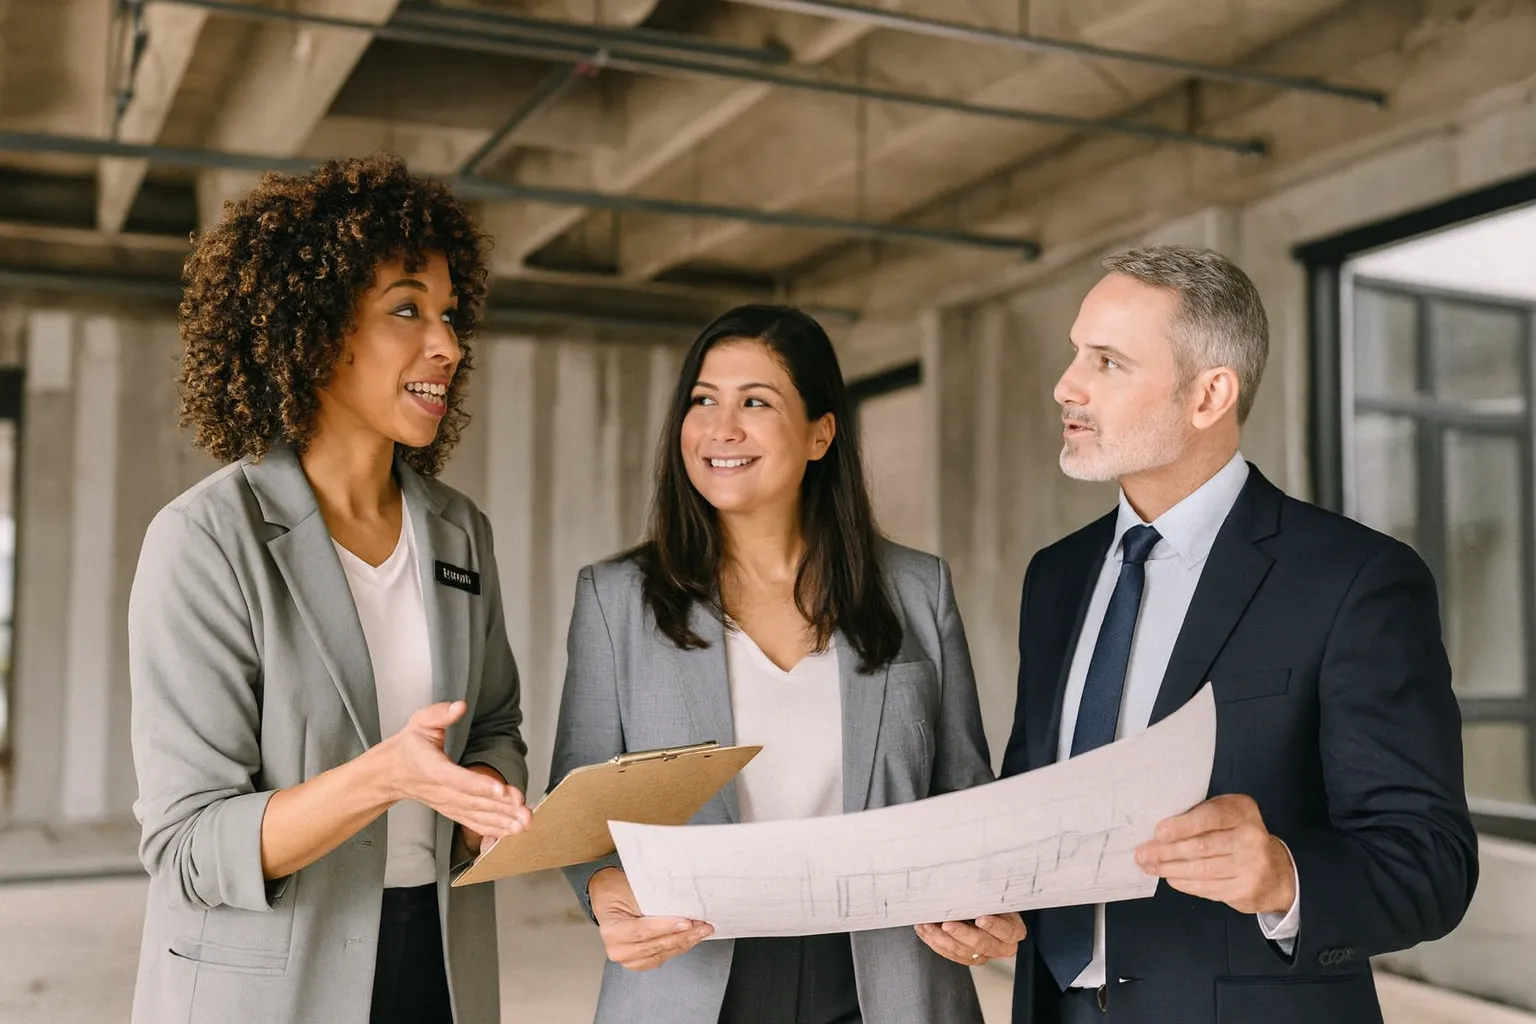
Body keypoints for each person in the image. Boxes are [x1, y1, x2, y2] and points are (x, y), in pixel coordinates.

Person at [1001, 245, 1479, 1023]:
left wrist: (1283, 875)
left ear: (1208, 394)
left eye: (1108, 362)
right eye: (1074, 354)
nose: (1067, 385)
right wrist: (985, 894)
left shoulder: (1354, 580)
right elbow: (1033, 803)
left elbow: (1432, 867)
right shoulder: (1055, 577)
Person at [127, 154, 533, 1024]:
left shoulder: (460, 531)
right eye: (406, 310)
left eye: (451, 316)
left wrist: (483, 798)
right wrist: (386, 777)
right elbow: (190, 846)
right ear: (311, 328)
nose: (448, 346)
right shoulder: (205, 541)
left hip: (440, 961)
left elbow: (495, 725)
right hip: (269, 985)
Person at [548, 304, 1024, 1024]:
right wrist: (605, 891)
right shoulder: (616, 601)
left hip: (888, 978)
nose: (721, 427)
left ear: (820, 433)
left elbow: (964, 790)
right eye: (702, 400)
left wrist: (989, 896)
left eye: (755, 402)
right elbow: (577, 807)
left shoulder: (918, 590)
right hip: (693, 977)